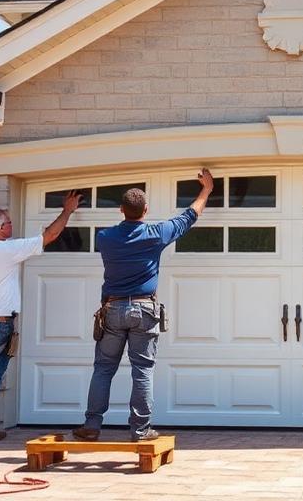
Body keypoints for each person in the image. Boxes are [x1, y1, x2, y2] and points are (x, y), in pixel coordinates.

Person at [73, 168, 214, 442]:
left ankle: (92, 424)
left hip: (112, 310)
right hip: (144, 310)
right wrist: (206, 190)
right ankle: (140, 430)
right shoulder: (155, 234)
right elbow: (189, 216)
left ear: (121, 210)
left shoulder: (105, 238)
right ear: (145, 209)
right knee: (142, 370)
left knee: (103, 368)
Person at [0, 191, 82, 446]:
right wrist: (67, 210)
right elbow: (49, 235)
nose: (12, 225)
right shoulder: (9, 250)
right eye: (8, 223)